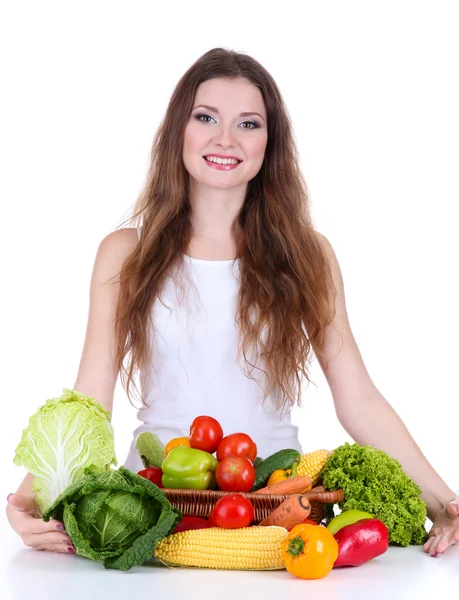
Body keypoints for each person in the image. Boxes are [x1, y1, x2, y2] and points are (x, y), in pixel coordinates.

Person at [6, 47, 459, 558]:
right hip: (156, 508)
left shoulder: (308, 255)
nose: (225, 139)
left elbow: (359, 400)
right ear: (179, 129)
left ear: (270, 143)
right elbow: (91, 396)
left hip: (271, 511)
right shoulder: (124, 253)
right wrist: (31, 496)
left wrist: (445, 503)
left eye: (248, 123)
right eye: (206, 118)